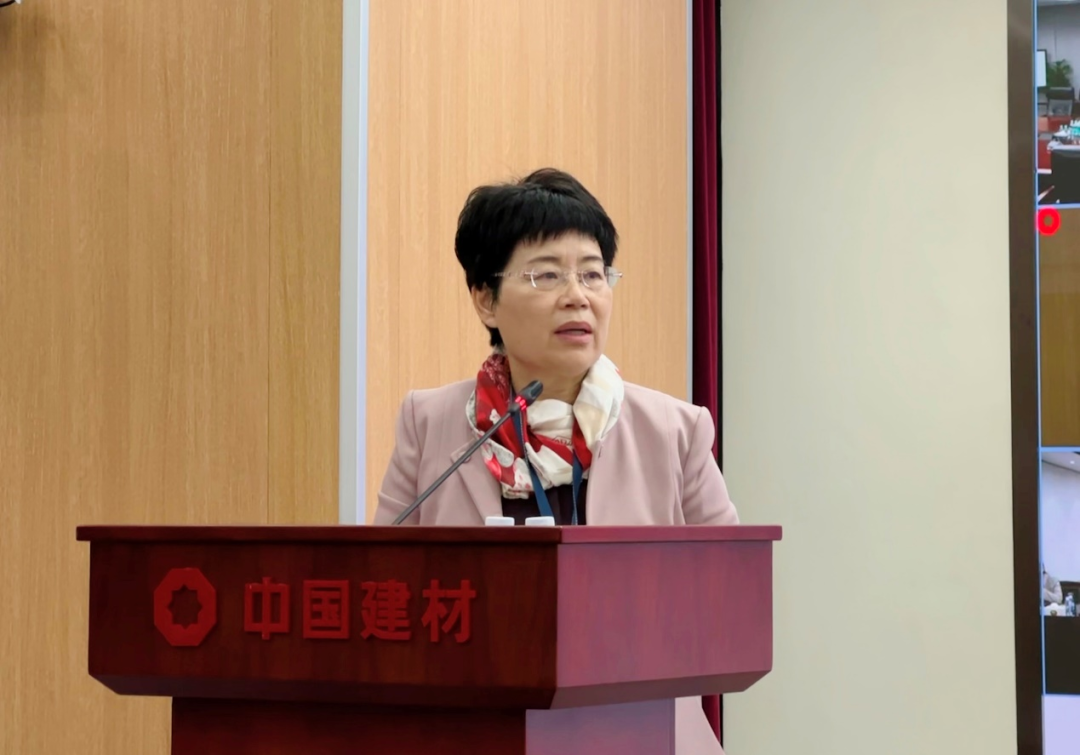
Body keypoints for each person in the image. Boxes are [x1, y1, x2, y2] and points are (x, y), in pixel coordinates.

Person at [374, 168, 738, 754]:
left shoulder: (675, 432)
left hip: (642, 735)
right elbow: (382, 594)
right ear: (486, 299)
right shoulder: (430, 424)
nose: (578, 295)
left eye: (593, 273)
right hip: (470, 734)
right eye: (546, 274)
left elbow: (731, 605)